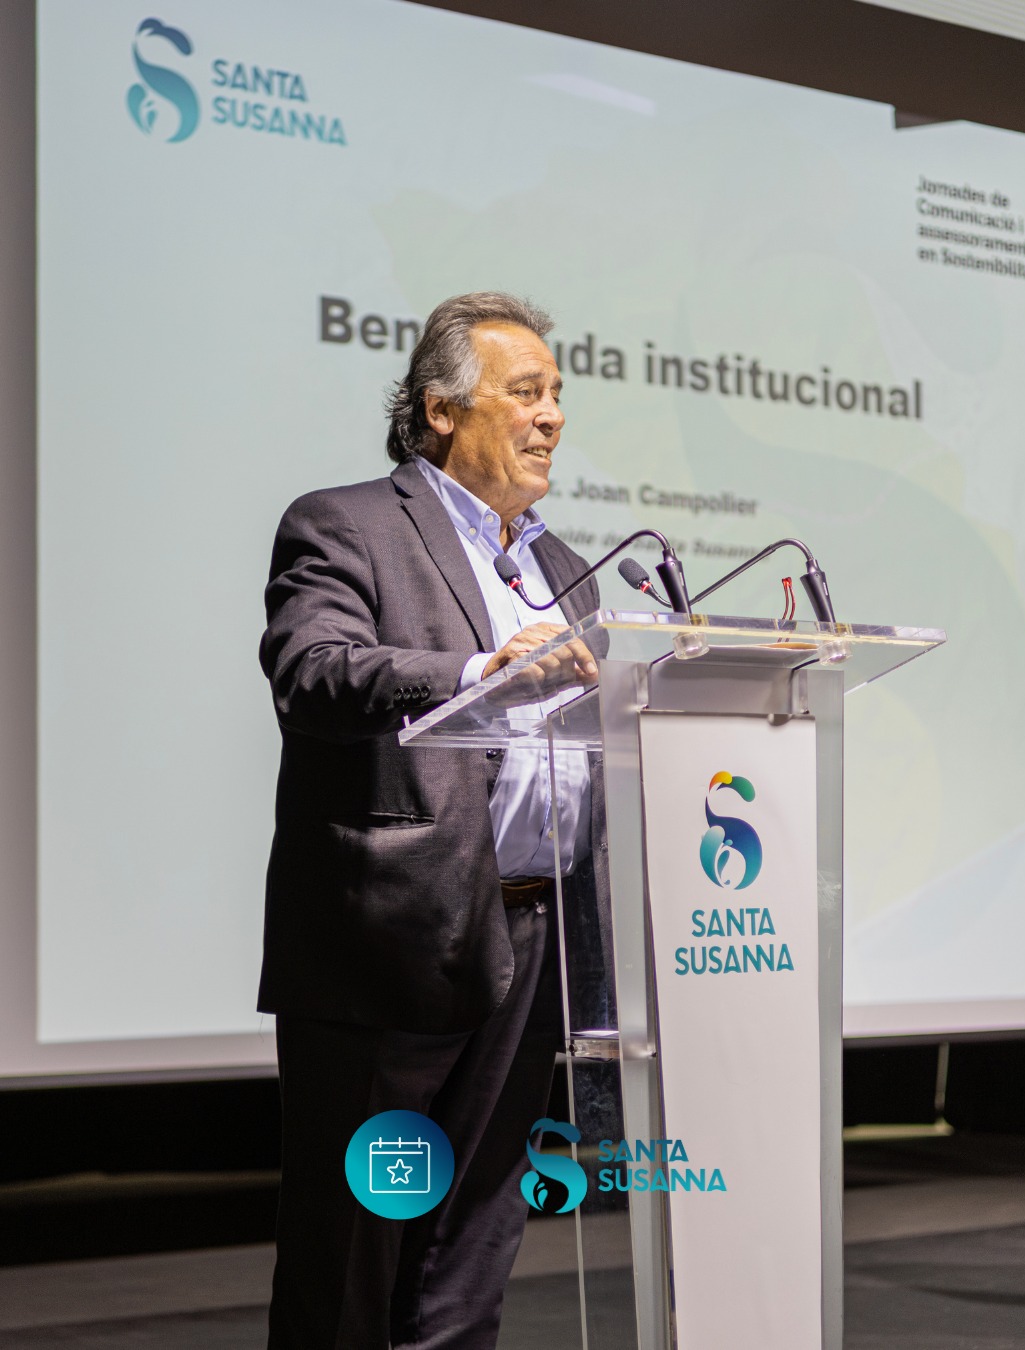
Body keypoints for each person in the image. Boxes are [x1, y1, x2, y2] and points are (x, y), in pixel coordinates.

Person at [259, 292, 601, 1348]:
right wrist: (473, 673)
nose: (552, 415)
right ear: (441, 410)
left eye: (557, 394)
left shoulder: (564, 568)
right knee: (353, 1255)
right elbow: (311, 670)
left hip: (532, 938)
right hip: (397, 942)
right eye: (526, 392)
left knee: (471, 1249)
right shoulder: (348, 523)